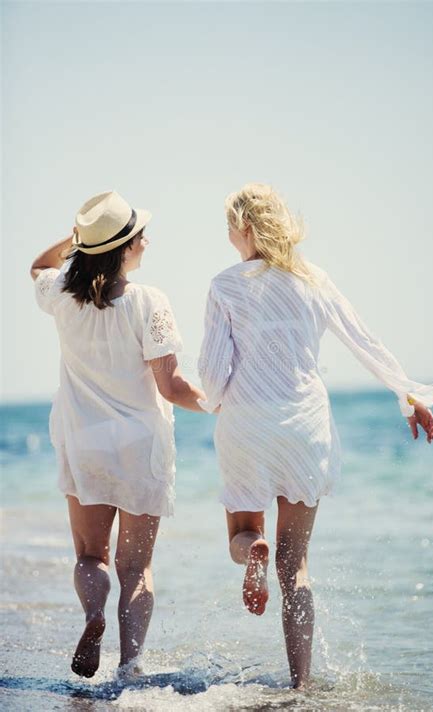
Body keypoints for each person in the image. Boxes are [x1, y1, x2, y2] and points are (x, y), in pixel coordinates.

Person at [197, 183, 433, 689]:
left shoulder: (224, 285)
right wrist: (408, 396)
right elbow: (363, 339)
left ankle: (252, 551)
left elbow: (214, 374)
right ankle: (301, 685)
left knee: (243, 533)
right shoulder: (314, 279)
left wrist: (214, 403)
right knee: (297, 565)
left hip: (247, 422)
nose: (226, 235)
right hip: (305, 427)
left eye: (228, 225)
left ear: (244, 228)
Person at [31, 190, 205, 679]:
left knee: (91, 556)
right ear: (125, 247)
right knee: (136, 568)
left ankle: (92, 616)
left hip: (83, 441)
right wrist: (218, 404)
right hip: (140, 447)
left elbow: (36, 268)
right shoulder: (150, 301)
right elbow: (171, 387)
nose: (146, 240)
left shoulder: (62, 292)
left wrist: (80, 239)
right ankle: (130, 668)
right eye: (137, 234)